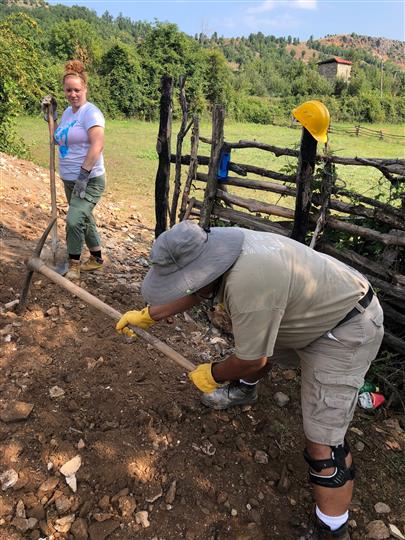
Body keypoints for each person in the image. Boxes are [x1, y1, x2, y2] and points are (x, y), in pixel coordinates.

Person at [116, 220, 384, 540]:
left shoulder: (249, 284)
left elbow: (250, 359)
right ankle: (245, 391)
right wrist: (150, 314)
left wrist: (212, 374)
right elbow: (198, 287)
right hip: (311, 307)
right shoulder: (222, 245)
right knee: (257, 340)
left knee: (323, 442)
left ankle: (332, 528)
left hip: (347, 327)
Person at [41, 60, 106, 281]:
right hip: (69, 179)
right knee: (83, 216)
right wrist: (52, 117)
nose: (72, 94)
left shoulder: (91, 113)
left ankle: (74, 265)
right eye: (68, 90)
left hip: (89, 179)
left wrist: (83, 175)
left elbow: (98, 145)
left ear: (85, 88)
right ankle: (96, 259)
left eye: (77, 90)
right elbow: (58, 139)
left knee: (74, 219)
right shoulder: (69, 113)